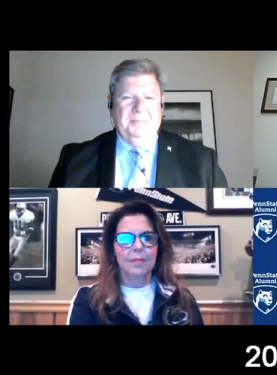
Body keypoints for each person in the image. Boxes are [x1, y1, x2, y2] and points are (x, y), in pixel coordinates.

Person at [48, 58, 228, 188]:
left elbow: (228, 229)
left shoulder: (203, 163)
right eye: (127, 97)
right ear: (111, 104)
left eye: (149, 97)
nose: (139, 107)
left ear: (162, 105)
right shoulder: (73, 161)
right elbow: (51, 228)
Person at [67, 200, 204, 325]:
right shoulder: (88, 301)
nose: (138, 246)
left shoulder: (181, 300)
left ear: (159, 247)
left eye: (147, 237)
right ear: (112, 248)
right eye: (125, 238)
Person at [9, 203, 35, 267]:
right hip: (15, 235)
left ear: (24, 210)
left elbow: (31, 229)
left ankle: (10, 265)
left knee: (17, 252)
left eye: (20, 209)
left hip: (23, 237)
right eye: (17, 209)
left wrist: (20, 233)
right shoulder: (12, 214)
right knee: (10, 247)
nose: (18, 210)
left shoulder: (28, 216)